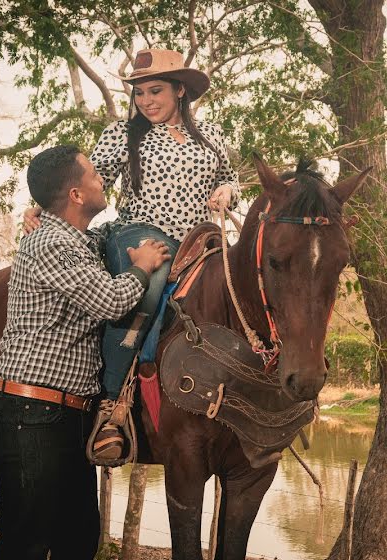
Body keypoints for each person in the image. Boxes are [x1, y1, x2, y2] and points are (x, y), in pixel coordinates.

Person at [23, 48, 241, 460]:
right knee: (151, 281)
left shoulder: (212, 134)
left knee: (239, 289)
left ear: (180, 90)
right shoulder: (123, 134)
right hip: (143, 232)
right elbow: (85, 183)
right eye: (139, 93)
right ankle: (112, 405)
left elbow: (229, 177)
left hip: (200, 239)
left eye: (154, 90)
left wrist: (228, 190)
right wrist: (42, 207)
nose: (146, 101)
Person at [0, 145, 170, 560]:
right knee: (24, 549)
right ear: (75, 193)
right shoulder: (49, 242)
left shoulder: (75, 241)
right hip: (30, 413)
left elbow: (103, 241)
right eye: (93, 174)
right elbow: (109, 301)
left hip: (64, 418)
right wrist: (143, 268)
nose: (101, 178)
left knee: (78, 541)